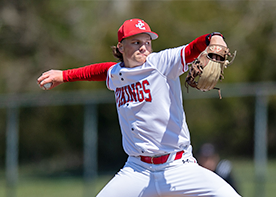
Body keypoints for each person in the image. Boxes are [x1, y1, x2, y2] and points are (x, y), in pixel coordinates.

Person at [37, 18, 241, 197]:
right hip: (138, 169)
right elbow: (98, 71)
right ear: (121, 47)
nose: (144, 47)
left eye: (147, 42)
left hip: (178, 166)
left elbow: (191, 49)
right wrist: (63, 75)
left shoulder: (161, 63)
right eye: (136, 42)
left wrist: (213, 37)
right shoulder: (116, 73)